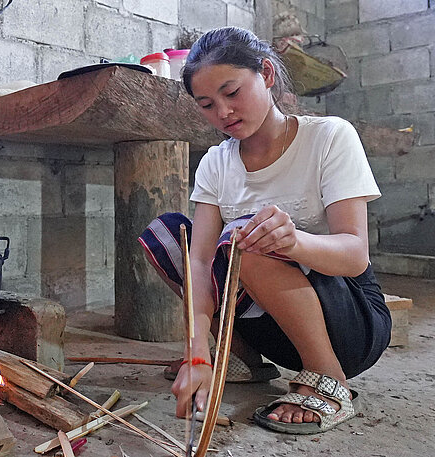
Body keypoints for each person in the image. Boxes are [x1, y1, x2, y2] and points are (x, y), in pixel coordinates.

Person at [139, 26, 391, 434]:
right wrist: (198, 350)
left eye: (232, 92)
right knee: (169, 235)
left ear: (267, 75)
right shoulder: (217, 163)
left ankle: (328, 379)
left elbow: (354, 253)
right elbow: (200, 262)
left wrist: (294, 242)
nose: (222, 112)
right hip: (270, 326)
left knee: (245, 236)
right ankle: (237, 355)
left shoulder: (328, 136)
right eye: (206, 104)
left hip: (349, 323)